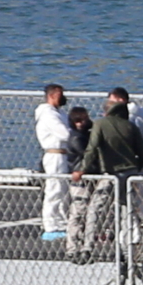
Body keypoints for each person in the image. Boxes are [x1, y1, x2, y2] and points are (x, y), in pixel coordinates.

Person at [71, 91, 143, 262]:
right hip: (129, 173)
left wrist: (82, 169)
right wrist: (136, 167)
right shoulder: (131, 127)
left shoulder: (100, 124)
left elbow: (91, 149)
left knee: (95, 208)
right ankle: (124, 249)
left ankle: (87, 247)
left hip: (110, 173)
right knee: (124, 210)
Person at [110, 88, 143, 243]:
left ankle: (133, 232)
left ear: (120, 101)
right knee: (141, 197)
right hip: (138, 161)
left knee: (125, 198)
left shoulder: (126, 119)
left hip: (122, 162)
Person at [34, 83, 70, 241]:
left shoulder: (59, 113)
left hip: (64, 154)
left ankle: (61, 221)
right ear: (52, 96)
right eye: (60, 95)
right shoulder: (48, 114)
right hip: (54, 154)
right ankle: (50, 224)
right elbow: (64, 134)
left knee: (63, 190)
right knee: (54, 189)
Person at [64, 107, 94, 261]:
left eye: (83, 120)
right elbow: (87, 155)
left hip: (86, 178)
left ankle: (79, 245)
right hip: (79, 180)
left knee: (83, 213)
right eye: (77, 121)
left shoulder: (84, 134)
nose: (81, 123)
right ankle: (72, 247)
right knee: (77, 213)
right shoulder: (77, 138)